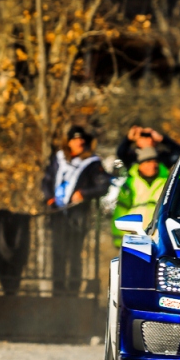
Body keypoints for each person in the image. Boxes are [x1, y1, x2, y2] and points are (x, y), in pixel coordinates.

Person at [41, 126, 110, 295]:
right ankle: (57, 290)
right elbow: (46, 181)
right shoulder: (58, 159)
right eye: (74, 139)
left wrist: (84, 193)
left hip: (78, 216)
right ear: (68, 142)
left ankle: (73, 291)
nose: (79, 142)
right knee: (57, 253)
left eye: (81, 140)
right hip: (57, 214)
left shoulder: (92, 163)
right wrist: (49, 198)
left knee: (73, 253)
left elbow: (103, 185)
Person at [112, 146, 169, 247]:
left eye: (154, 161)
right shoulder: (129, 184)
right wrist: (118, 239)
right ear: (140, 165)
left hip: (160, 239)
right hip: (134, 238)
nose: (152, 165)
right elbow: (120, 212)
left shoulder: (168, 182)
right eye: (148, 162)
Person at [116, 125, 180, 169]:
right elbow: (121, 153)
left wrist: (162, 139)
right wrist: (128, 139)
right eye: (143, 136)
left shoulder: (162, 155)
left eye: (149, 136)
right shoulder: (134, 157)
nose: (147, 139)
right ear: (137, 141)